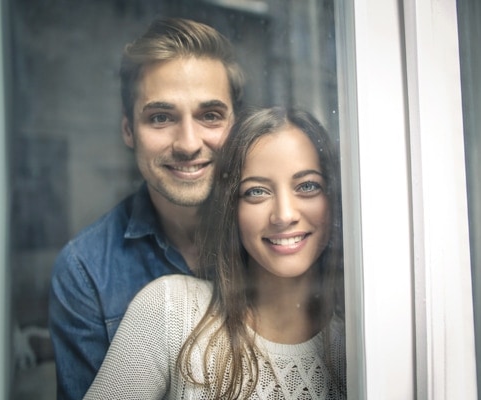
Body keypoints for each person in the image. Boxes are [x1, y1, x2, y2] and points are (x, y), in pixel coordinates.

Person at [83, 107, 346, 399]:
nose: (283, 215)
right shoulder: (170, 311)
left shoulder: (362, 345)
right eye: (256, 191)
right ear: (232, 209)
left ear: (335, 199)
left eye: (307, 186)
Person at [48, 17, 245, 400]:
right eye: (160, 117)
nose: (188, 143)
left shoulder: (278, 235)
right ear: (128, 131)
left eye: (210, 116)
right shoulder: (85, 271)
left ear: (237, 125)